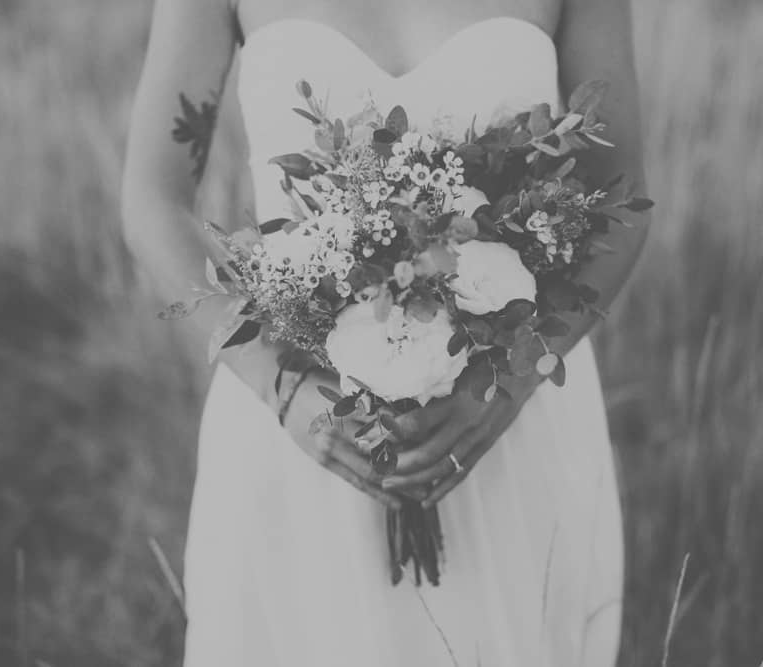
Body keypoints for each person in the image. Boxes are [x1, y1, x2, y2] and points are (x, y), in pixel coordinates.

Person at [121, 0, 649, 664]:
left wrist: (513, 383)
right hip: (304, 429)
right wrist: (282, 387)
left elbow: (619, 193)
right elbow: (153, 200)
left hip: (504, 429)